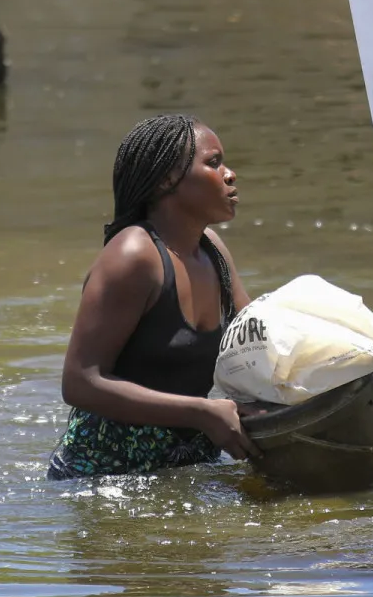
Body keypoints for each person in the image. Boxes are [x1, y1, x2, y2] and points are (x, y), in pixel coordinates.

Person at [48, 114, 258, 479]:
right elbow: (80, 381)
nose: (230, 174)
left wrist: (338, 358)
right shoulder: (133, 255)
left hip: (188, 464)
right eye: (213, 163)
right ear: (166, 179)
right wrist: (201, 413)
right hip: (105, 476)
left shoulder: (213, 252)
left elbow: (261, 343)